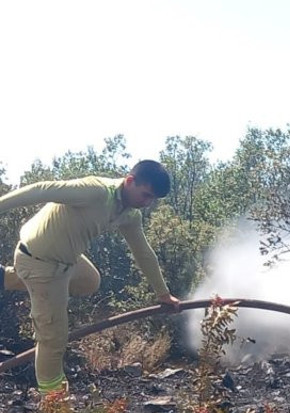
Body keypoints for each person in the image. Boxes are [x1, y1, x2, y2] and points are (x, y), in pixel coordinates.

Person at [0, 160, 181, 394]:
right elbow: (41, 189)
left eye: (152, 199)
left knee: (90, 281)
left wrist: (163, 294)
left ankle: (5, 278)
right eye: (145, 195)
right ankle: (53, 404)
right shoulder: (95, 191)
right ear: (129, 181)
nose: (147, 203)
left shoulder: (129, 215)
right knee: (53, 340)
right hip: (39, 261)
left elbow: (143, 252)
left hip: (66, 261)